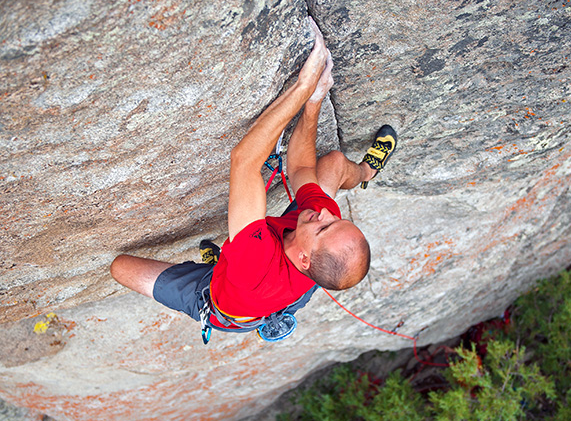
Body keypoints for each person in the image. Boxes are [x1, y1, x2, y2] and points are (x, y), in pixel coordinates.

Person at [110, 20, 396, 337]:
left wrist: (302, 87)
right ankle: (367, 172)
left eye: (325, 225)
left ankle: (218, 268)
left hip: (222, 300)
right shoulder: (321, 234)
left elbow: (244, 162)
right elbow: (301, 170)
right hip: (277, 271)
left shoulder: (255, 265)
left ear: (304, 258)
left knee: (120, 268)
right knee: (334, 163)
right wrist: (315, 99)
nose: (328, 212)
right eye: (337, 220)